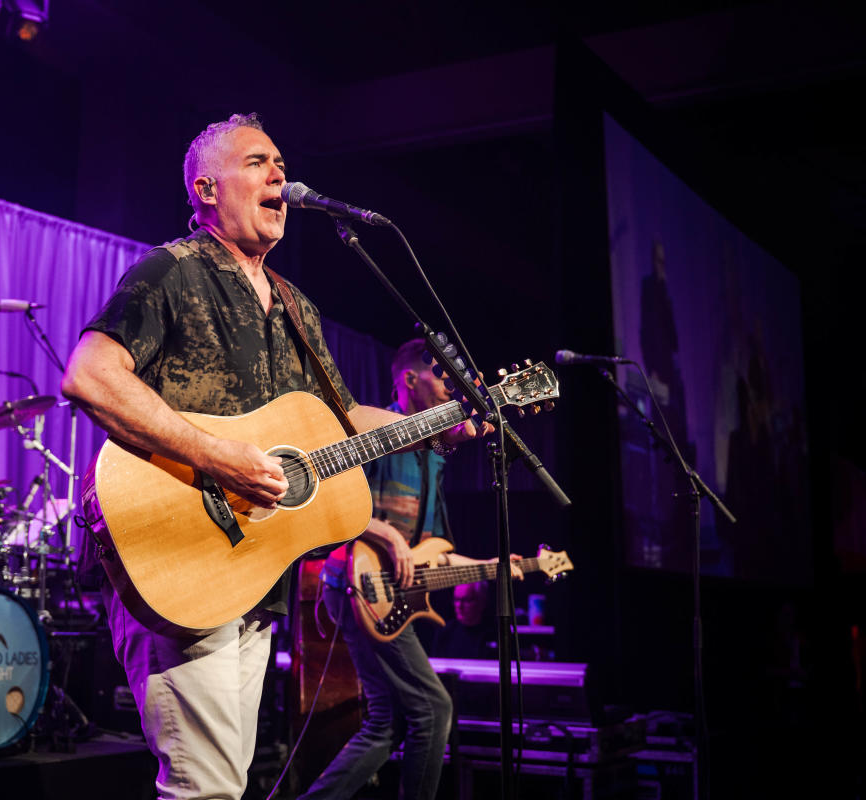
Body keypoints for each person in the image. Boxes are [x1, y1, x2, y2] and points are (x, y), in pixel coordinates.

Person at [60, 114, 486, 800]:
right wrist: (218, 456)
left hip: (253, 572)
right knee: (206, 788)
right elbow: (90, 376)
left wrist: (444, 420)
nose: (279, 176)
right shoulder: (174, 269)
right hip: (178, 554)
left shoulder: (297, 306)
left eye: (282, 164)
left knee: (224, 784)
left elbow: (344, 424)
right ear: (206, 187)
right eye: (258, 163)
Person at [300, 338, 521, 800]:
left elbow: (432, 550)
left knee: (385, 723)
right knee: (434, 709)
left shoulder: (434, 458)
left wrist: (491, 566)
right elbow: (333, 502)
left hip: (388, 593)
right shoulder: (371, 435)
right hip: (355, 583)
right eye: (441, 374)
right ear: (408, 379)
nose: (449, 385)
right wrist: (387, 535)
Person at [430, 580, 497, 660]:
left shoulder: (495, 633)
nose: (459, 606)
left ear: (482, 601)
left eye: (466, 600)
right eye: (456, 600)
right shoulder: (446, 632)